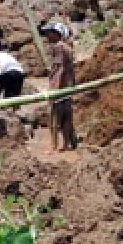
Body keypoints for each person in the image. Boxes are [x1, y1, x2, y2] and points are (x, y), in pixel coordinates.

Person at [41, 22, 78, 151]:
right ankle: (66, 144)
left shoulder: (58, 47)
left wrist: (54, 90)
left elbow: (59, 69)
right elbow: (71, 69)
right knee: (67, 116)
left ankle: (53, 146)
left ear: (56, 33)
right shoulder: (68, 48)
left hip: (59, 88)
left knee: (54, 117)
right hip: (67, 87)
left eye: (49, 33)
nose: (47, 35)